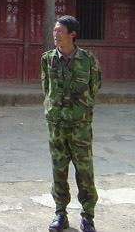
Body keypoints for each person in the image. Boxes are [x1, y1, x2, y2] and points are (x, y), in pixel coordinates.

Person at [41, 15, 102, 232]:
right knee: (58, 170)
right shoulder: (47, 59)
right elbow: (46, 88)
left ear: (72, 35)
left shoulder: (88, 60)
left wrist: (80, 110)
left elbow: (95, 87)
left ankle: (87, 216)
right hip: (56, 125)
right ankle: (60, 214)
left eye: (60, 31)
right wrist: (55, 109)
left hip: (80, 126)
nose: (55, 35)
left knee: (85, 170)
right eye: (55, 31)